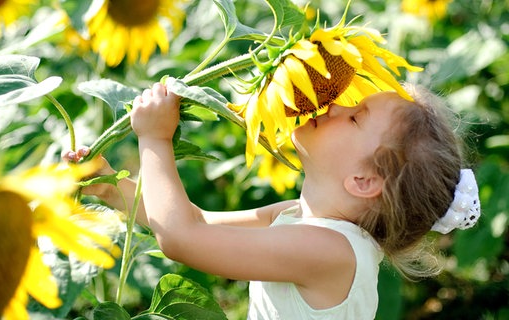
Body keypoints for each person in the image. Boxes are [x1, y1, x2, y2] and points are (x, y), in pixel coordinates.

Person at [64, 82, 481, 319]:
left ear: (364, 180)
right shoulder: (299, 219)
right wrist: (113, 190)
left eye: (355, 116)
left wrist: (154, 139)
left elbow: (181, 238)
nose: (336, 103)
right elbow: (198, 222)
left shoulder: (332, 251)